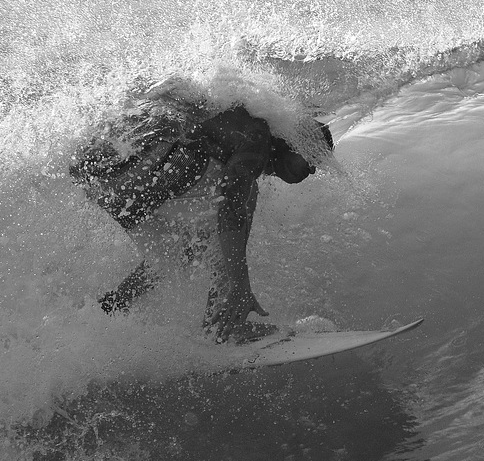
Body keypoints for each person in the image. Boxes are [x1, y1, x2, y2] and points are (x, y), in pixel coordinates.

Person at [69, 82, 333, 342]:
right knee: (239, 201)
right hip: (132, 166)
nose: (310, 171)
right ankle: (225, 328)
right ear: (293, 143)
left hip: (99, 178)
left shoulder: (236, 126)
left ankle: (108, 309)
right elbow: (230, 209)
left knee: (171, 257)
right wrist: (241, 286)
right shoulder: (258, 136)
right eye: (311, 159)